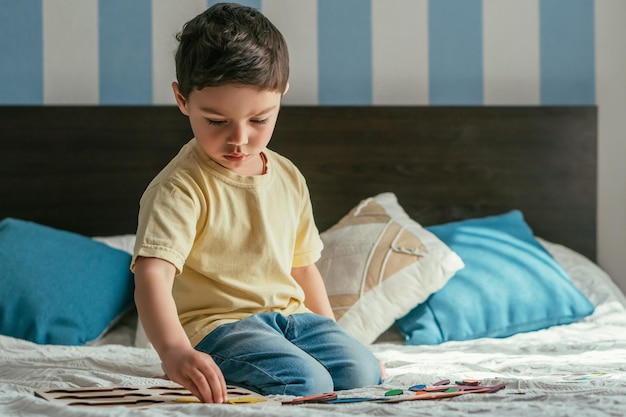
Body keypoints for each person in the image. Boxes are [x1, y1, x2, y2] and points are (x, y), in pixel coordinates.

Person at [131, 3, 382, 404]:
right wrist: (174, 350)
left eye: (259, 120)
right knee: (309, 383)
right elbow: (152, 277)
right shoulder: (180, 187)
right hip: (219, 327)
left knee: (361, 371)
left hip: (291, 319)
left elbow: (303, 268)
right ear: (182, 99)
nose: (240, 139)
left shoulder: (287, 177)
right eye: (216, 120)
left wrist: (335, 336)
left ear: (281, 94)